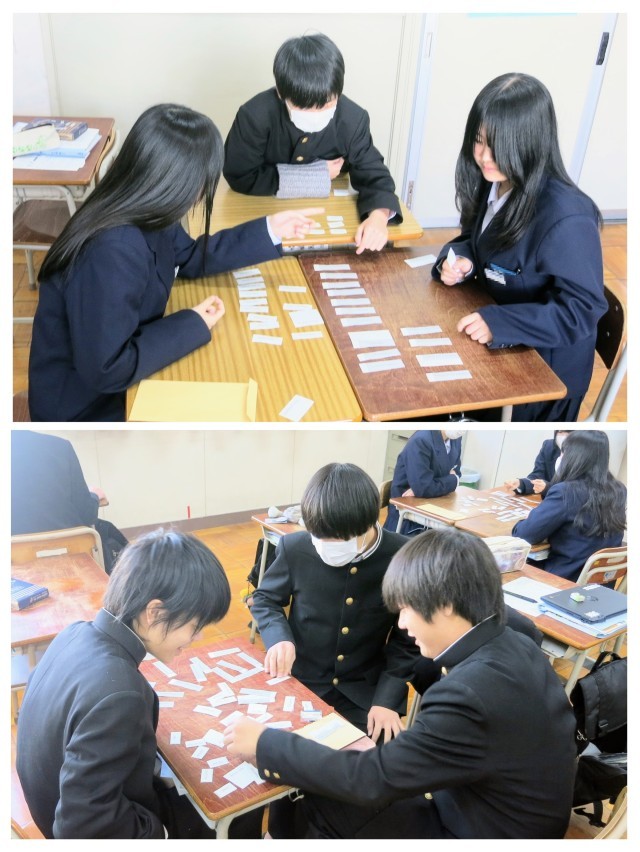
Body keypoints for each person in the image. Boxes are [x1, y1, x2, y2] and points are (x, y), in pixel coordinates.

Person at [224, 528, 577, 839]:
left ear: (447, 605)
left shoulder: (467, 694)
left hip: (473, 830)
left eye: (406, 609)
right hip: (508, 818)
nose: (403, 624)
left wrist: (266, 744)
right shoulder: (516, 641)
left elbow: (371, 780)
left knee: (324, 792)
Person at [28, 103, 322, 421]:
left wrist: (270, 229)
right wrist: (192, 323)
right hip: (86, 407)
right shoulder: (112, 250)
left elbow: (190, 256)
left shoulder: (145, 205)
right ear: (174, 182)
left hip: (114, 375)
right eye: (201, 183)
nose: (201, 193)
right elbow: (108, 369)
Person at [16, 530, 240, 839]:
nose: (197, 637)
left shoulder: (75, 632)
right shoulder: (121, 695)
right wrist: (159, 834)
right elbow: (81, 824)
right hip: (90, 827)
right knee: (235, 807)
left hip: (51, 804)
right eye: (195, 625)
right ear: (154, 613)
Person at [432, 73, 608, 422]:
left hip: (544, 377)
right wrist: (462, 261)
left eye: (497, 145)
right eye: (479, 141)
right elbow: (478, 241)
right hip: (502, 347)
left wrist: (500, 324)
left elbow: (582, 310)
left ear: (529, 143)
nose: (484, 156)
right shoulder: (496, 180)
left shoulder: (566, 217)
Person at [223, 32, 402, 254]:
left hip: (325, 213)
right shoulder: (255, 115)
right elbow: (239, 176)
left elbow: (374, 175)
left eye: (327, 104)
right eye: (304, 107)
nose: (316, 114)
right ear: (281, 93)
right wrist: (315, 176)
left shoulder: (352, 119)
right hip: (266, 213)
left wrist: (379, 216)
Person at [513, 430, 626, 581]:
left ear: (573, 456)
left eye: (563, 452)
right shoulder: (619, 490)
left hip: (563, 580)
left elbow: (524, 535)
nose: (560, 457)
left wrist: (530, 517)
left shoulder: (565, 491)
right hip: (599, 583)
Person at [11, 429, 127, 574]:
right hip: (73, 559)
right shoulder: (58, 446)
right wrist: (94, 495)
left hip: (16, 566)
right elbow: (87, 514)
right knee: (106, 531)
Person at [383, 429, 462, 535]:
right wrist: (453, 480)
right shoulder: (421, 440)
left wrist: (431, 485)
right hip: (408, 520)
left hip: (434, 505)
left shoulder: (455, 438)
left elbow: (457, 471)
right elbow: (424, 488)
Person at [504, 429, 572, 496]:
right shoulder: (549, 446)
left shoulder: (578, 453)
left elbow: (574, 490)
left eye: (569, 432)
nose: (563, 436)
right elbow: (538, 476)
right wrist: (521, 484)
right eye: (560, 432)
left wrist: (547, 487)